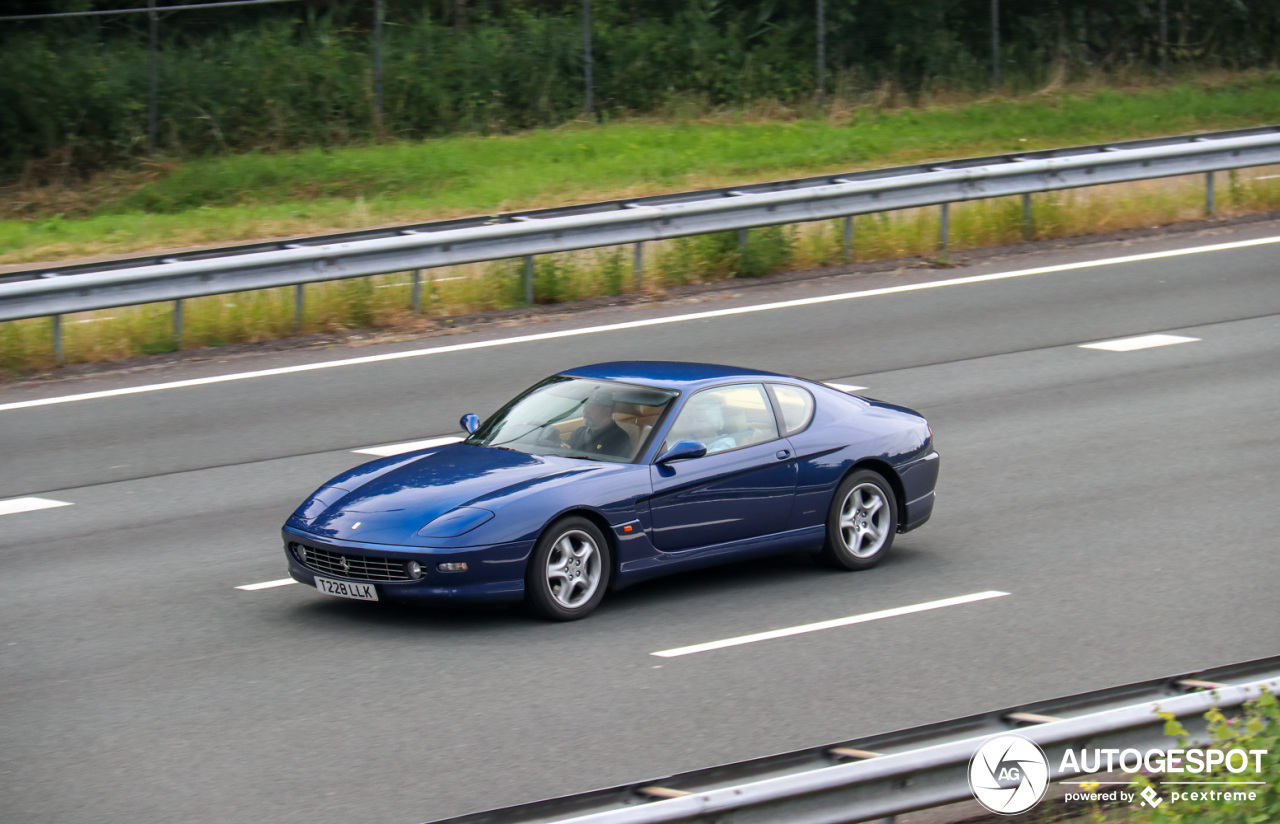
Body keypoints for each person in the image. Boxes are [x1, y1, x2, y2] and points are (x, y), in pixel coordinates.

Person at [566, 391, 632, 458]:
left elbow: (610, 466)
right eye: (585, 406)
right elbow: (566, 451)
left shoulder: (619, 438)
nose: (585, 411)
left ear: (607, 411)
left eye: (592, 407)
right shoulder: (579, 432)